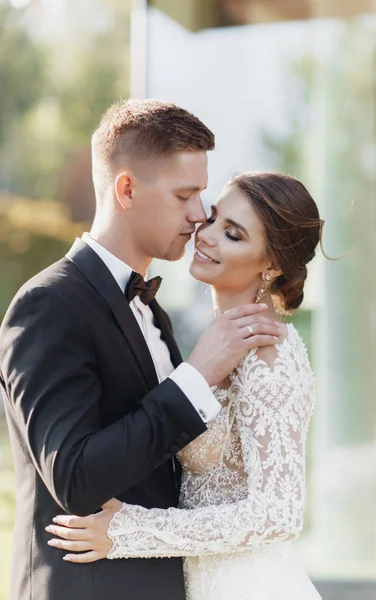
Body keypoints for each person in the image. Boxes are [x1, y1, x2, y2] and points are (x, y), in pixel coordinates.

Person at [0, 101, 281, 600]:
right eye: (184, 195)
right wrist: (196, 377)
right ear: (126, 189)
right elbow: (75, 476)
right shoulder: (48, 305)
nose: (199, 215)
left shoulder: (154, 311)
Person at [46, 171, 324, 600]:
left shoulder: (270, 354)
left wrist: (130, 530)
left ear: (272, 265)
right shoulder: (213, 340)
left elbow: (278, 515)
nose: (206, 235)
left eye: (232, 234)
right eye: (212, 219)